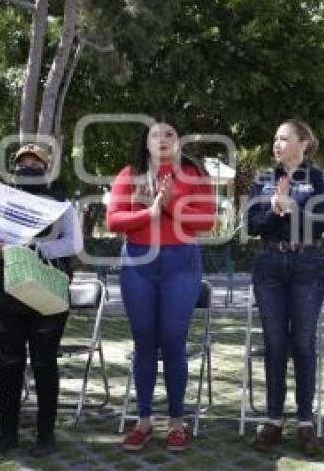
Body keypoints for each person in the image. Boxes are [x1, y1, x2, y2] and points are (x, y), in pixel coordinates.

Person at [107, 116, 215, 452]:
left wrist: (169, 206)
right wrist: (149, 213)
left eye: (170, 134)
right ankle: (143, 421)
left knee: (173, 340)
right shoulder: (129, 174)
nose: (163, 139)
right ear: (146, 143)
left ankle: (177, 422)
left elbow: (206, 221)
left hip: (180, 263)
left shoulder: (194, 175)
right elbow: (114, 220)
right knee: (144, 342)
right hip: (138, 264)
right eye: (156, 135)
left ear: (178, 141)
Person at [0, 143, 82, 459]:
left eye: (36, 164)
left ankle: (45, 435)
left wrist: (35, 249)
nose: (28, 169)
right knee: (9, 363)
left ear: (46, 170)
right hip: (2, 294)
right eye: (23, 164)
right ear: (13, 169)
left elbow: (74, 243)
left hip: (45, 294)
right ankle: (7, 434)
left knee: (45, 364)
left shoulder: (62, 204)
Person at [246, 119, 324, 456]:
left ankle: (304, 421)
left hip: (307, 266)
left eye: (284, 138)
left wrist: (293, 208)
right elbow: (253, 225)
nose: (277, 144)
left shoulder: (320, 180)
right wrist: (272, 208)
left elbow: (319, 225)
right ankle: (273, 419)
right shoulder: (263, 180)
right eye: (275, 138)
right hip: (269, 266)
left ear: (304, 143)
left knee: (302, 343)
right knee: (275, 343)